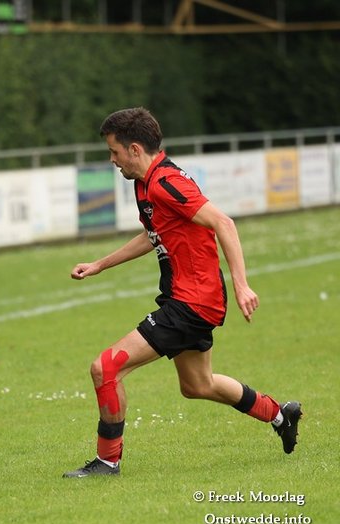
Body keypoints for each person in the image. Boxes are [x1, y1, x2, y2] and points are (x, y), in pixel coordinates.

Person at [63, 107, 301, 478]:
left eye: (114, 151)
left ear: (135, 149)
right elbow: (153, 235)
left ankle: (107, 461)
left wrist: (242, 284)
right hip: (190, 299)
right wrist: (100, 264)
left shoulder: (166, 182)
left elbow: (223, 222)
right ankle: (280, 414)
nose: (112, 160)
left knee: (105, 368)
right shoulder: (145, 183)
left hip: (192, 302)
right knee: (197, 385)